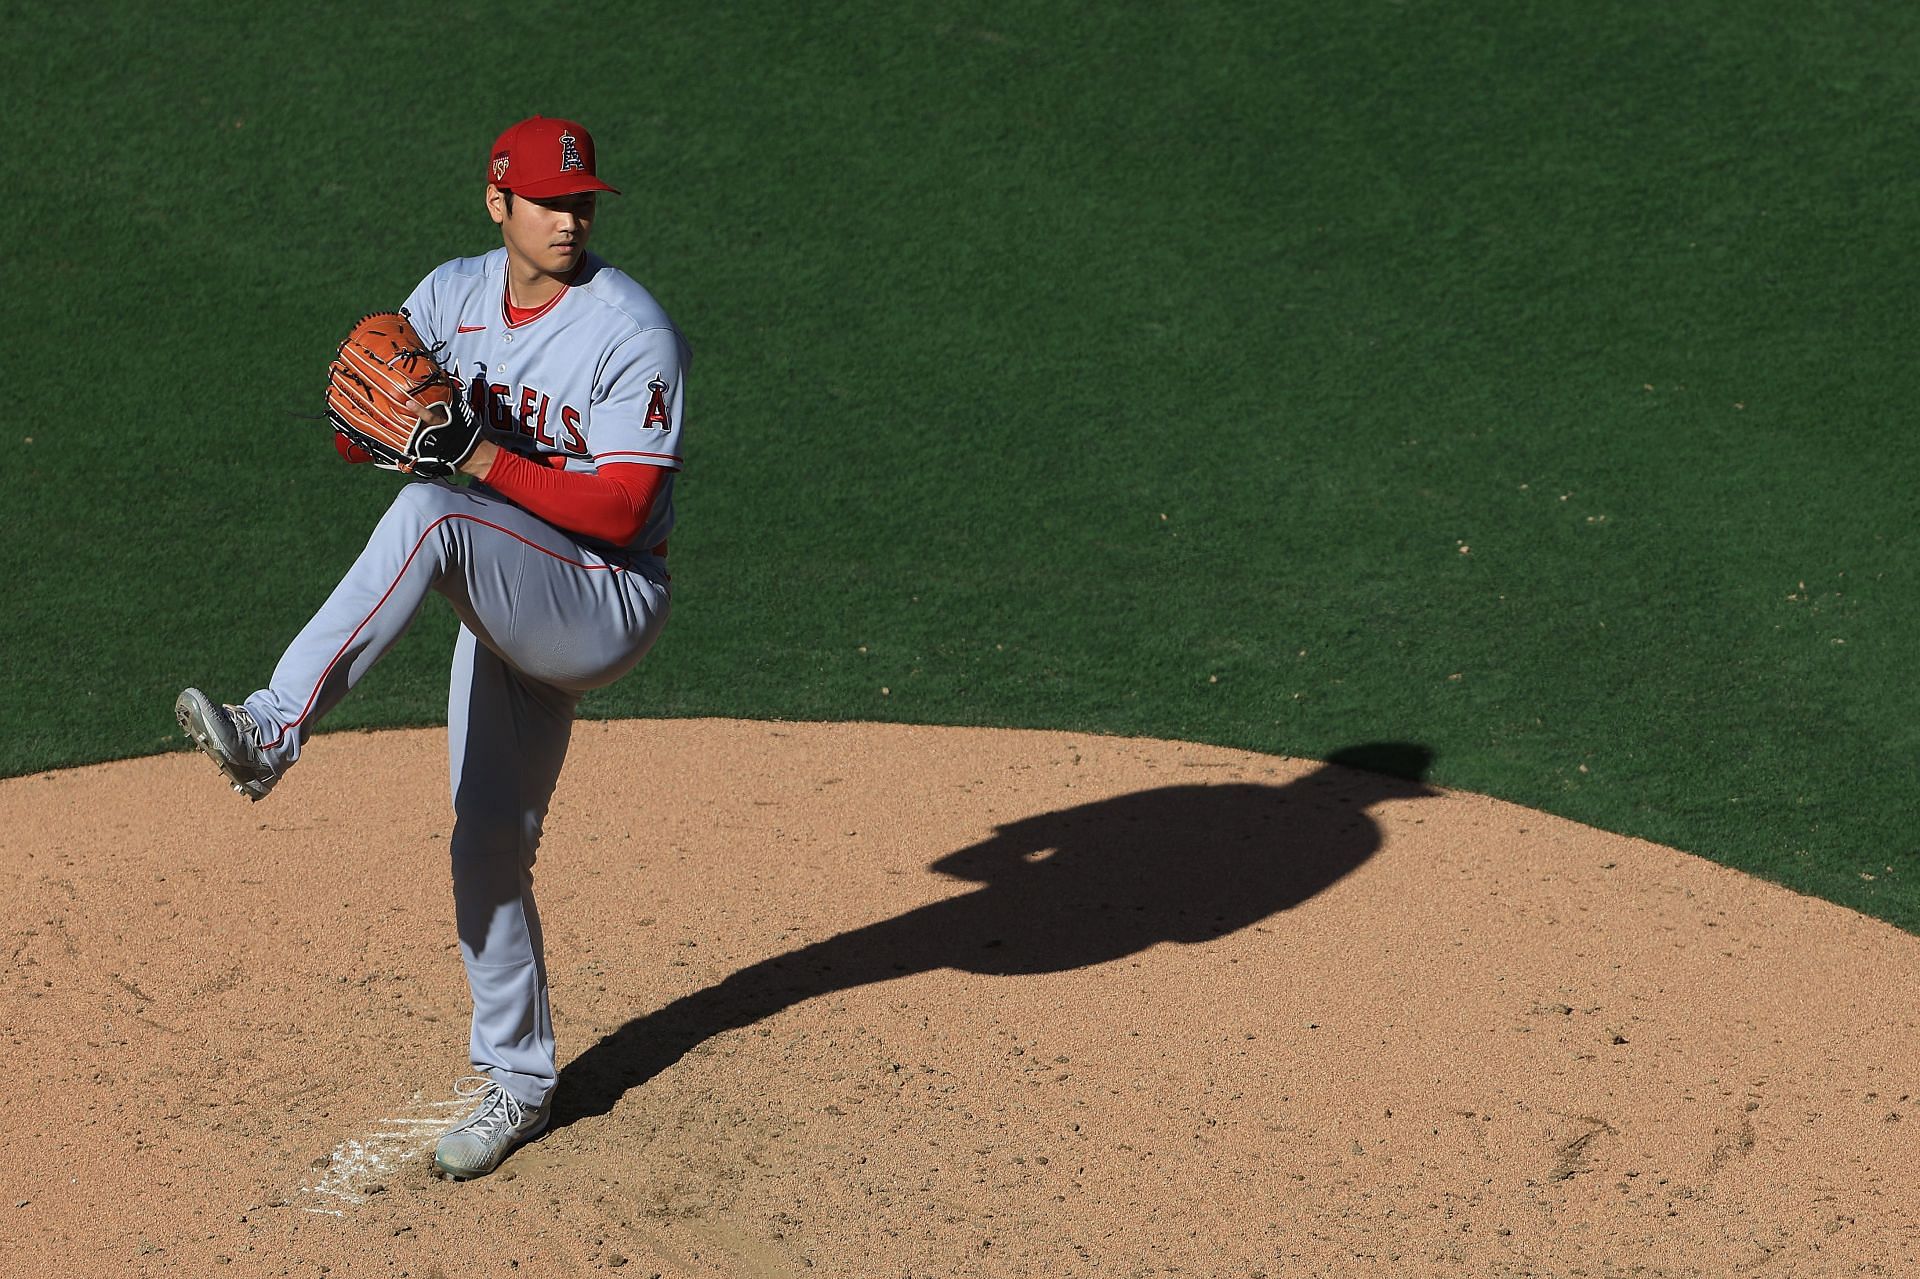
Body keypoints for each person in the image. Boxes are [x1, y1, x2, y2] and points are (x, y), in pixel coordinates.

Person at [174, 114, 688, 1180]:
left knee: (434, 516)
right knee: (486, 845)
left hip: (601, 597)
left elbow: (629, 502)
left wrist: (476, 457)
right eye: (549, 199)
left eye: (582, 198)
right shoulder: (450, 298)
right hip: (512, 582)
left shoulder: (629, 328)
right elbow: (363, 416)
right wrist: (383, 426)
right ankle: (521, 1081)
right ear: (497, 203)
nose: (570, 215)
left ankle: (271, 729)